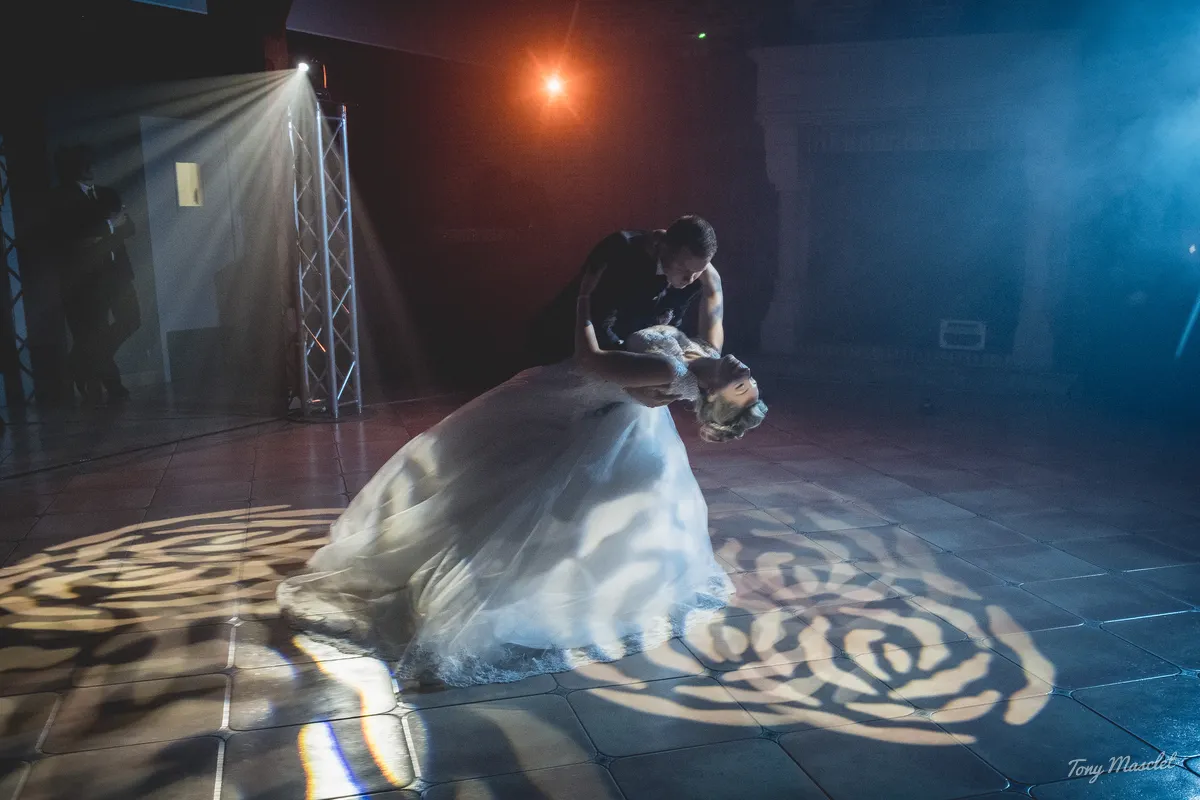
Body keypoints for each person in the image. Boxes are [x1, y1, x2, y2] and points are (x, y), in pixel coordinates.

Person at [277, 262, 767, 687]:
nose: (744, 369)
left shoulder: (669, 375)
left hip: (600, 417)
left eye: (741, 384)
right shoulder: (706, 352)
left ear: (715, 398)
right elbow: (713, 298)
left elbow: (592, 362)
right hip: (597, 410)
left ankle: (533, 599)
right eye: (749, 380)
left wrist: (585, 300)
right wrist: (708, 266)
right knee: (509, 486)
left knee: (542, 509)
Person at [529, 215, 726, 375]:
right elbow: (598, 324)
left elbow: (708, 295)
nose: (690, 279)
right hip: (565, 346)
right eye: (684, 269)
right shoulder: (622, 252)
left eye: (698, 271)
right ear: (664, 248)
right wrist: (641, 368)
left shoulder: (694, 272)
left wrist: (710, 359)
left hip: (628, 352)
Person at [51, 145, 138, 404]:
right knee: (96, 330)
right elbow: (74, 236)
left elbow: (129, 226)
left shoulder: (106, 194)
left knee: (132, 319)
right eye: (83, 163)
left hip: (118, 272)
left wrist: (102, 232)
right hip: (90, 279)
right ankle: (110, 382)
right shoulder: (61, 197)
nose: (90, 168)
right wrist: (110, 226)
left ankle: (79, 362)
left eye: (90, 162)